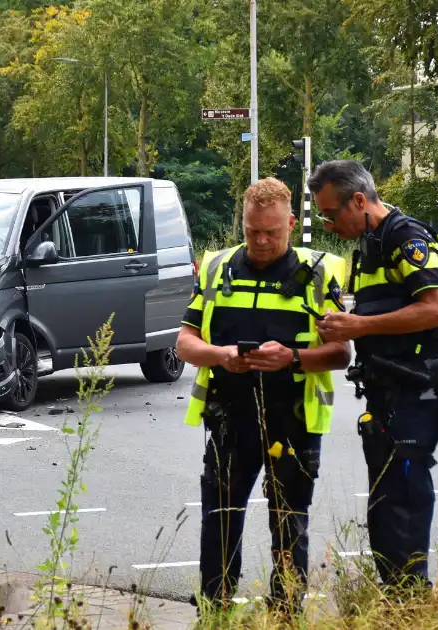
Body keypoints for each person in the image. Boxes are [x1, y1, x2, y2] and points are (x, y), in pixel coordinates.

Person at [177, 177, 352, 614]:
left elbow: (340, 353)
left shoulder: (316, 274)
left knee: (289, 525)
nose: (260, 240)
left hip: (292, 418)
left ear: (291, 224)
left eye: (271, 232)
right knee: (219, 520)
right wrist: (220, 355)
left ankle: (286, 614)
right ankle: (216, 611)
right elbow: (184, 342)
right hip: (231, 419)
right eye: (253, 230)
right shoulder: (218, 267)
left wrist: (291, 358)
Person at [307, 159, 438, 595]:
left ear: (359, 200)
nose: (327, 224)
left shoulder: (405, 237)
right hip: (388, 391)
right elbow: (387, 310)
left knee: (402, 502)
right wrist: (351, 319)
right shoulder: (372, 242)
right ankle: (397, 598)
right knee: (385, 503)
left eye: (330, 213)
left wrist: (358, 326)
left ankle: (411, 602)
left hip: (415, 389)